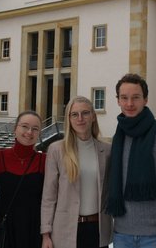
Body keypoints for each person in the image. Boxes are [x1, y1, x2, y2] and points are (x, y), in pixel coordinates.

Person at [105, 73, 156, 248]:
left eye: (136, 97)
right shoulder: (118, 137)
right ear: (117, 100)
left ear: (145, 99)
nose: (129, 104)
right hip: (121, 235)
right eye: (124, 98)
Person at [41, 96, 113, 248]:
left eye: (85, 113)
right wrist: (46, 233)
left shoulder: (106, 150)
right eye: (74, 114)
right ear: (68, 118)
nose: (80, 118)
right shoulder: (57, 150)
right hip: (66, 231)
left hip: (98, 230)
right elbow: (49, 196)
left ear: (93, 116)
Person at [0, 110, 46, 248]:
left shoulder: (44, 160)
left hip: (35, 228)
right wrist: (1, 206)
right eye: (25, 126)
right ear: (15, 129)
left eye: (35, 128)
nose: (29, 132)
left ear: (39, 134)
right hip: (7, 227)